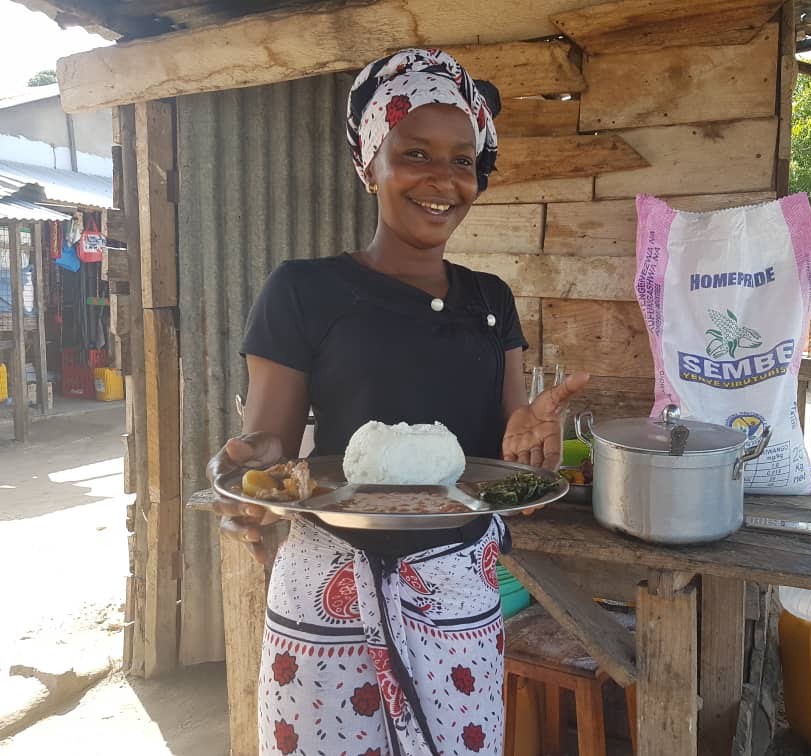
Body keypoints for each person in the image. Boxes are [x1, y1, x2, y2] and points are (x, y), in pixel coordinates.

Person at [206, 49, 589, 756]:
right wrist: (251, 461)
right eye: (415, 153)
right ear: (369, 164)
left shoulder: (491, 300)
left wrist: (528, 439)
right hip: (328, 590)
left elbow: (500, 449)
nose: (443, 179)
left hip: (456, 590)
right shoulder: (303, 290)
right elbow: (271, 447)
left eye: (462, 160)